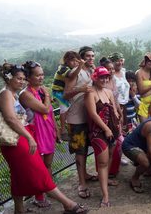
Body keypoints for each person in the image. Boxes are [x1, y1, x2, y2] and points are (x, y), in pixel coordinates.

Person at [0, 62, 87, 214]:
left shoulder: (12, 94)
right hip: (19, 140)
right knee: (40, 172)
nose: (22, 81)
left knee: (18, 177)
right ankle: (68, 204)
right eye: (18, 78)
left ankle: (19, 210)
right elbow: (11, 119)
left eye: (23, 78)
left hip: (18, 139)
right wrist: (29, 138)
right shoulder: (6, 94)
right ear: (8, 78)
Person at [19, 61, 57, 207]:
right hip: (35, 132)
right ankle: (38, 196)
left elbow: (51, 113)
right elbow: (45, 109)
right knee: (38, 166)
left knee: (47, 164)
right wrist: (47, 96)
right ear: (28, 77)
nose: (41, 78)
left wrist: (57, 130)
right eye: (37, 75)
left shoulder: (41, 90)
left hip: (47, 130)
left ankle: (49, 189)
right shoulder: (25, 94)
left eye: (42, 74)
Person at [63, 46, 97, 199]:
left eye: (92, 56)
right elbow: (65, 95)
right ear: (80, 59)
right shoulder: (72, 73)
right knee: (80, 152)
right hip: (76, 119)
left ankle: (86, 175)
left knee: (88, 148)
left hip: (89, 115)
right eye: (87, 56)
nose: (91, 59)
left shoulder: (88, 71)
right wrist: (80, 90)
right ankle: (82, 183)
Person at [85, 66, 121, 207]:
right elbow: (93, 114)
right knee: (102, 163)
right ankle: (105, 196)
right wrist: (106, 129)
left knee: (110, 157)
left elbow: (114, 110)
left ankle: (105, 181)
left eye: (106, 77)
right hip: (98, 132)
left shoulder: (108, 91)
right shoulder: (90, 93)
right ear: (95, 77)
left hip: (112, 130)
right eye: (101, 77)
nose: (105, 79)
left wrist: (117, 124)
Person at [51, 51, 83, 141]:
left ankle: (66, 126)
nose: (75, 63)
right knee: (64, 107)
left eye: (77, 61)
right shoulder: (63, 68)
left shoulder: (69, 68)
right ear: (66, 61)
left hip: (61, 91)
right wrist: (80, 66)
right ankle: (63, 130)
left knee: (68, 107)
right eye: (72, 61)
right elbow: (72, 76)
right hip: (58, 91)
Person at [136, 52, 151, 122]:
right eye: (149, 61)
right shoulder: (139, 73)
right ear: (145, 61)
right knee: (144, 126)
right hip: (143, 105)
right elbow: (141, 91)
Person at [108, 52, 130, 125]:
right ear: (112, 62)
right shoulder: (110, 75)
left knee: (126, 128)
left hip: (126, 105)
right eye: (117, 61)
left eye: (121, 60)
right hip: (116, 106)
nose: (119, 63)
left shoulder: (123, 71)